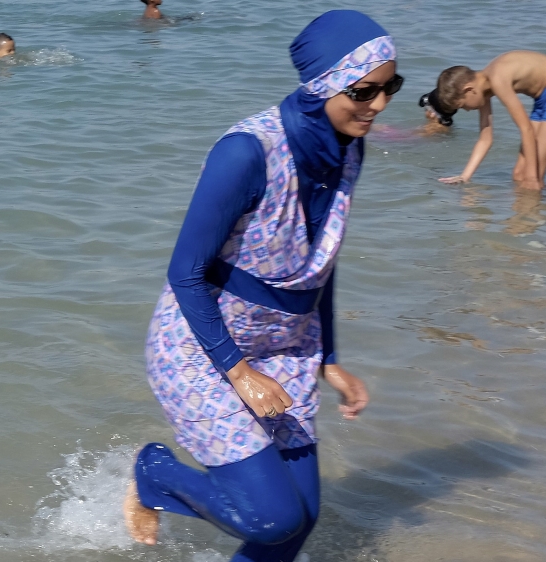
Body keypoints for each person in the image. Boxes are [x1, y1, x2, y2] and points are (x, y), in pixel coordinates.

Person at [124, 10, 399, 561]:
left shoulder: (347, 147)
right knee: (271, 518)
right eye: (364, 91)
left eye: (391, 87)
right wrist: (239, 372)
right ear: (323, 84)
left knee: (301, 519)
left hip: (286, 346)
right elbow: (185, 273)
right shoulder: (247, 152)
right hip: (201, 347)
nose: (380, 105)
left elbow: (323, 257)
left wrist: (330, 359)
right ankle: (154, 473)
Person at [435, 51, 546, 190]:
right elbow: (485, 139)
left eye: (462, 105)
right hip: (542, 100)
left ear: (469, 90)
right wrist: (464, 176)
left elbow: (526, 129)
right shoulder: (482, 90)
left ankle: (536, 214)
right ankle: (529, 212)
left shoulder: (497, 80)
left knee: (533, 176)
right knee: (519, 175)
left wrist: (532, 177)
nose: (466, 110)